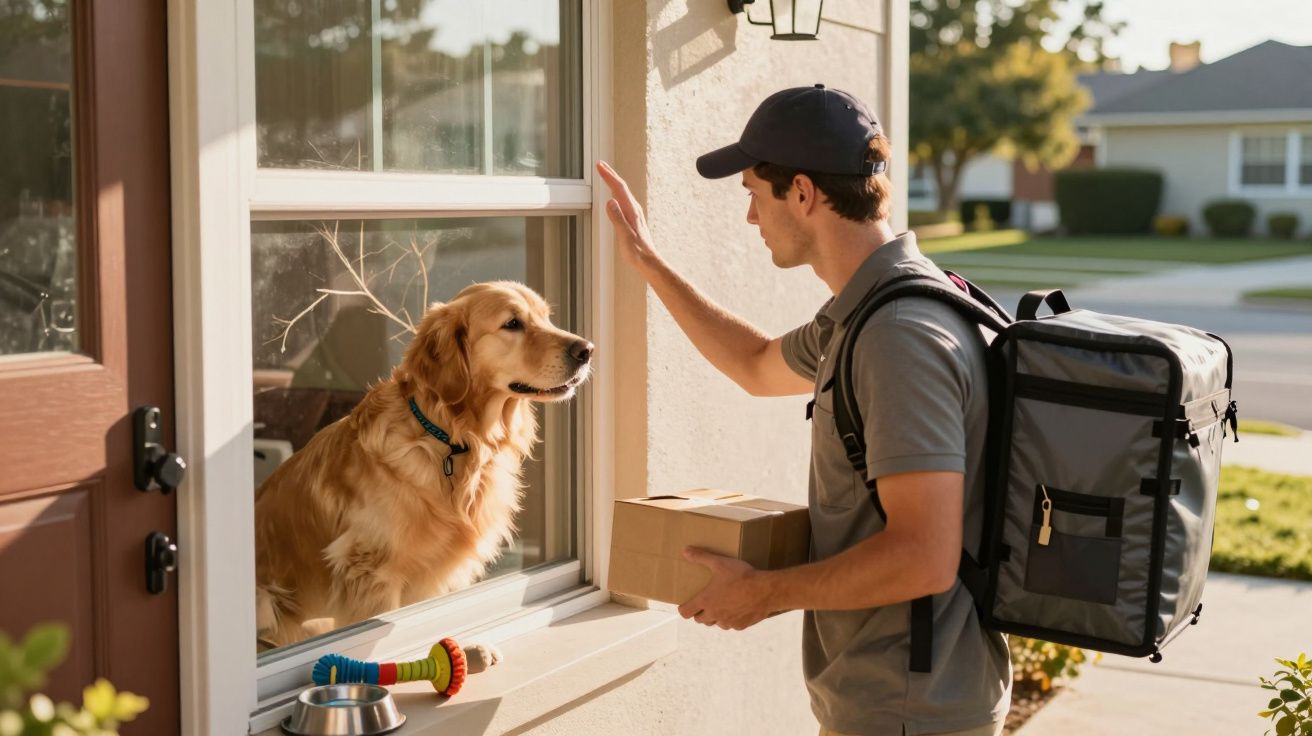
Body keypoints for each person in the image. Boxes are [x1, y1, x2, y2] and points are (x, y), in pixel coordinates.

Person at [595, 84, 1011, 736]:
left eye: (754, 194)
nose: (750, 218)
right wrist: (648, 263)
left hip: (909, 711)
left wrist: (762, 593)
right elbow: (755, 364)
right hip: (890, 701)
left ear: (803, 193)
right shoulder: (867, 311)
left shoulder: (898, 336)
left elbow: (923, 555)